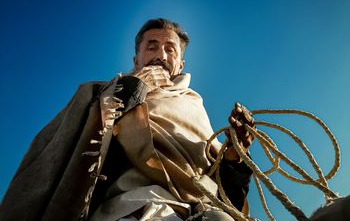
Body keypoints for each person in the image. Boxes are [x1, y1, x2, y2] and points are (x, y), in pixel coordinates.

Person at [0, 18, 255, 221]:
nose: (161, 55)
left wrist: (235, 154)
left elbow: (222, 190)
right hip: (126, 207)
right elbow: (72, 151)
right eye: (151, 46)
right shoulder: (100, 94)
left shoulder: (193, 105)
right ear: (137, 59)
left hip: (199, 211)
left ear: (180, 63)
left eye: (170, 49)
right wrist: (136, 87)